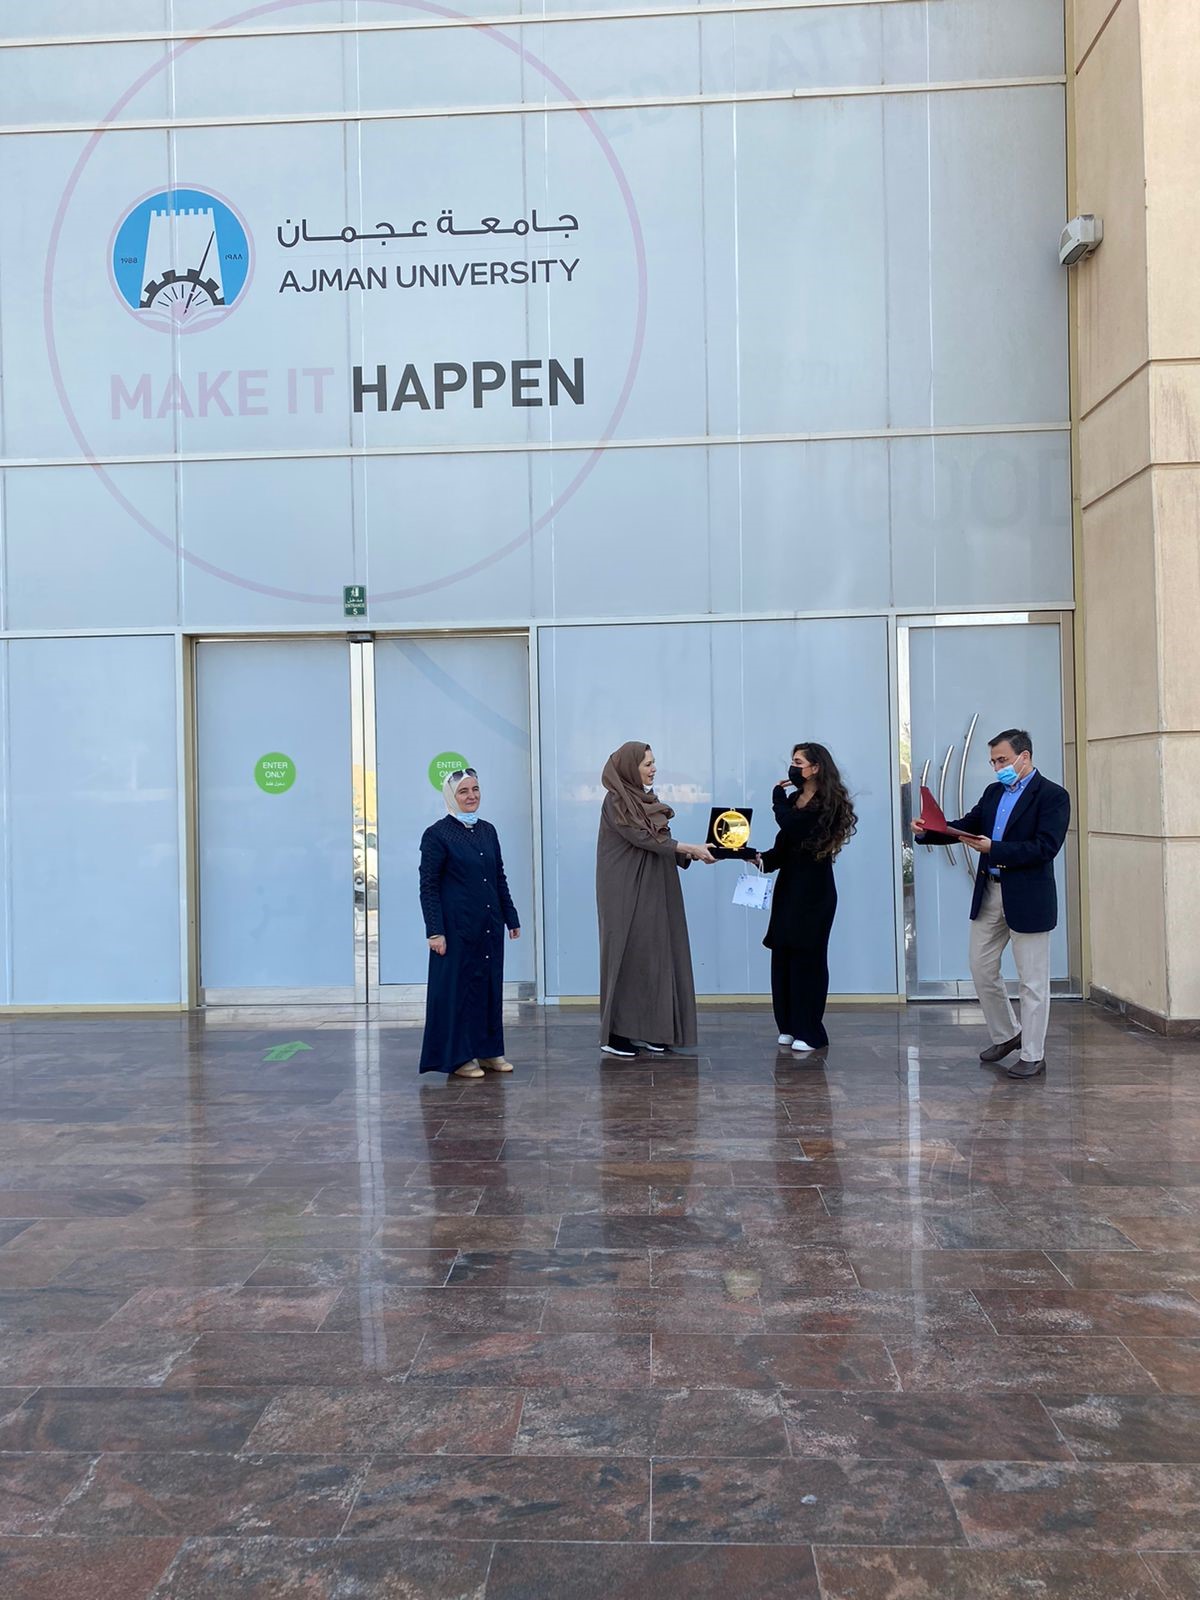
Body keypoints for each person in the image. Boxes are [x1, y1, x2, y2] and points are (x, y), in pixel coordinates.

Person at [914, 728, 1070, 1080]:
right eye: (993, 762)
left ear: (1024, 757)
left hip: (1028, 897)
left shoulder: (1053, 796)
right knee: (981, 967)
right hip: (990, 891)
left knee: (1032, 981)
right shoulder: (993, 792)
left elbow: (1045, 847)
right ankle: (1008, 1035)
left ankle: (1033, 1054)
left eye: (1002, 760)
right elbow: (966, 827)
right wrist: (928, 831)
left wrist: (994, 849)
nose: (998, 767)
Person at [596, 741, 714, 1059]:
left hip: (655, 886)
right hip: (625, 890)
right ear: (630, 768)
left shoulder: (645, 799)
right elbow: (642, 837)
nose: (654, 769)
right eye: (647, 764)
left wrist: (692, 853)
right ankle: (615, 1033)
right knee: (627, 954)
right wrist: (689, 848)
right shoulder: (617, 801)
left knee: (655, 955)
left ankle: (650, 1030)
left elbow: (660, 840)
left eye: (653, 763)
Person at [418, 767, 520, 1079]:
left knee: (488, 986)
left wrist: (510, 916)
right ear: (451, 796)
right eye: (463, 791)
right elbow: (429, 886)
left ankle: (489, 1051)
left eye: (475, 789)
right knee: (459, 991)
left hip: (488, 924)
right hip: (456, 928)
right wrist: (434, 931)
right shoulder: (437, 834)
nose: (471, 796)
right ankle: (460, 1057)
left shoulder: (488, 830)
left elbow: (498, 876)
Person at [759, 742, 857, 1056]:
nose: (793, 767)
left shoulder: (828, 803)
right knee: (783, 956)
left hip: (815, 892)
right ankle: (788, 1024)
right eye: (793, 761)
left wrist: (776, 799)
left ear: (816, 767)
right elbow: (784, 846)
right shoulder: (793, 801)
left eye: (799, 762)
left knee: (808, 960)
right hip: (788, 888)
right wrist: (758, 858)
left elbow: (794, 825)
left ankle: (811, 1030)